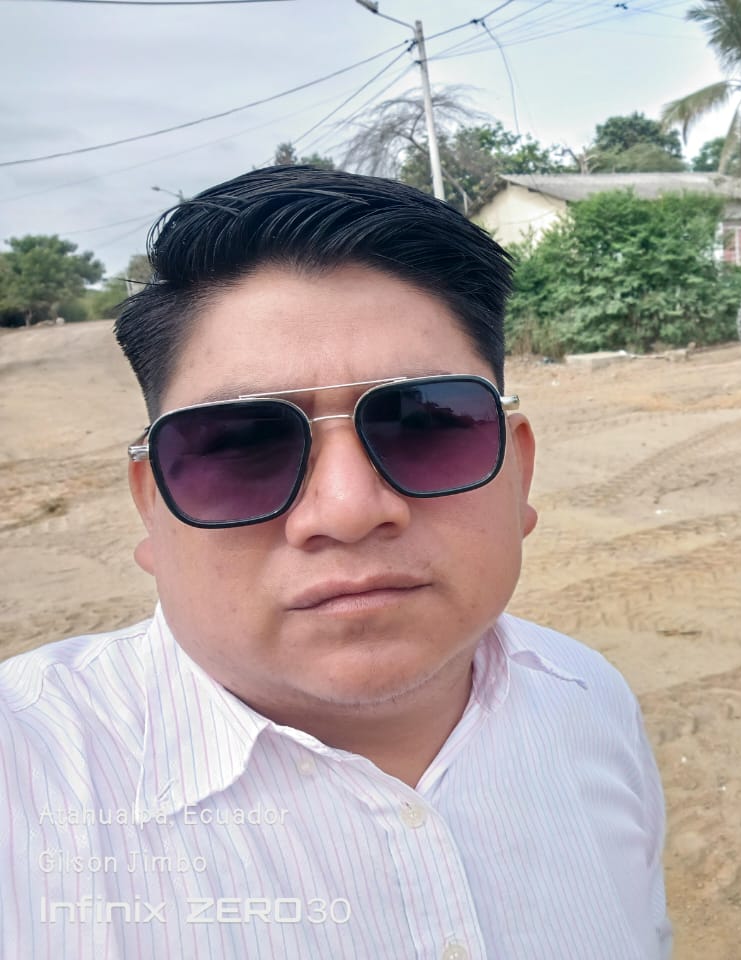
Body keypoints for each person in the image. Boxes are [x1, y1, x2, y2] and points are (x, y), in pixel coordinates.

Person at [0, 166, 672, 958]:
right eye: (242, 445)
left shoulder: (587, 701)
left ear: (517, 471)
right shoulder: (25, 779)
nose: (349, 510)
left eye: (425, 423)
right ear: (153, 505)